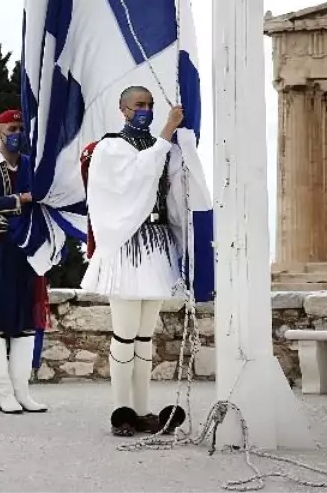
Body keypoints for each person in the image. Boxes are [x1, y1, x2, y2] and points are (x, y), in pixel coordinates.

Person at [80, 87, 208, 437]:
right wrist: (168, 131)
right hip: (126, 247)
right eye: (140, 105)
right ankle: (121, 411)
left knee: (144, 337)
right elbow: (139, 174)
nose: (146, 111)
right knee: (123, 336)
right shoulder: (110, 147)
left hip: (156, 245)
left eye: (150, 105)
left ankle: (141, 409)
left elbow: (172, 188)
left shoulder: (161, 148)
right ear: (123, 109)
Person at [0, 109, 48, 415]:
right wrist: (24, 199)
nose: (17, 133)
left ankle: (23, 392)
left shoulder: (32, 166)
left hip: (27, 250)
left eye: (21, 128)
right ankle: (4, 394)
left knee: (26, 321)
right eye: (11, 127)